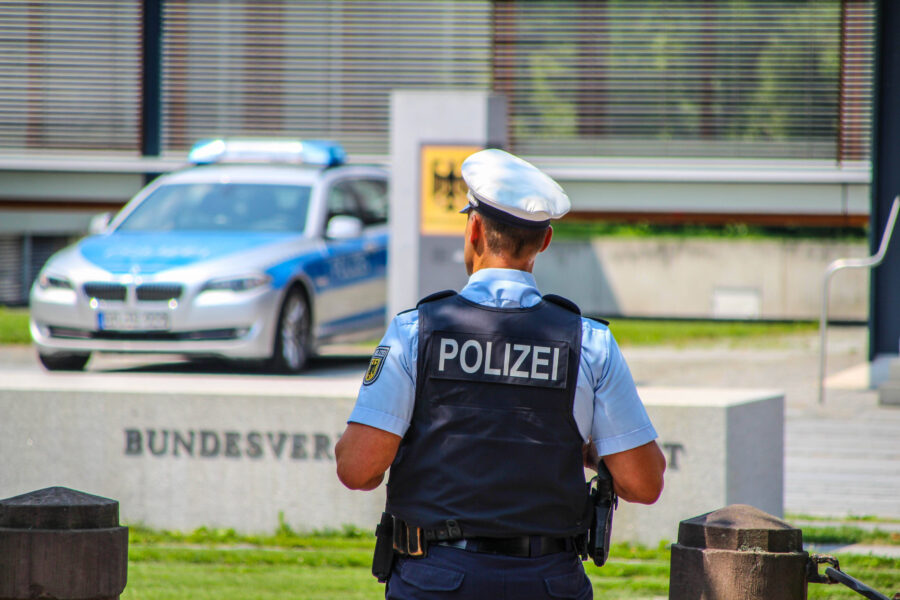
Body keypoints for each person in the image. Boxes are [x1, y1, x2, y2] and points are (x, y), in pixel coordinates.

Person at [336, 148, 666, 600]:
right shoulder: (589, 342)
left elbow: (357, 469)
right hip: (548, 582)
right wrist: (591, 453)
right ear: (545, 241)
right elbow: (644, 484)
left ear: (473, 229)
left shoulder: (415, 332)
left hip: (435, 581)